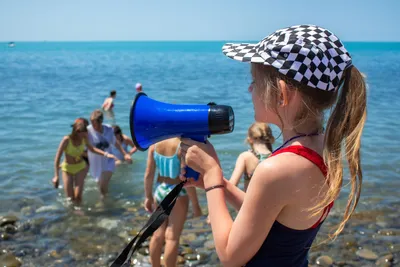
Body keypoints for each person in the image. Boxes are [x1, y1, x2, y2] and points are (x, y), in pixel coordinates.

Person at [180, 24, 367, 266]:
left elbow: (229, 256)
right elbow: (271, 213)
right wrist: (223, 186)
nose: (250, 89)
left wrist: (212, 174)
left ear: (281, 94)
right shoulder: (321, 148)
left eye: (255, 82)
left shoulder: (277, 169)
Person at [143, 138, 191, 267]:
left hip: (160, 190)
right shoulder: (182, 145)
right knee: (172, 237)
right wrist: (196, 205)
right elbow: (186, 178)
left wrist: (148, 197)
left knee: (158, 234)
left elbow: (149, 174)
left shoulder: (154, 144)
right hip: (177, 192)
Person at [52, 118, 118, 205]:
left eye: (85, 133)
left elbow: (92, 149)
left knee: (78, 196)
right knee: (70, 197)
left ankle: (79, 212)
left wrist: (106, 154)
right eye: (83, 134)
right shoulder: (66, 140)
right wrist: (56, 176)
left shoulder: (84, 139)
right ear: (77, 132)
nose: (85, 136)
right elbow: (57, 157)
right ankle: (73, 213)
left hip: (80, 167)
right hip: (67, 169)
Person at [87, 109, 131, 199]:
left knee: (103, 185)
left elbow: (115, 143)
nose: (93, 126)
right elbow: (90, 148)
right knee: (100, 185)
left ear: (101, 122)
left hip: (109, 161)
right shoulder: (88, 131)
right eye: (92, 123)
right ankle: (106, 200)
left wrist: (125, 154)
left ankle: (103, 203)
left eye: (95, 123)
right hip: (96, 163)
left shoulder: (108, 129)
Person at [229, 122, 275, 192]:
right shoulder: (277, 157)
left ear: (249, 139)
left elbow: (232, 186)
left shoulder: (245, 156)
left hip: (251, 202)